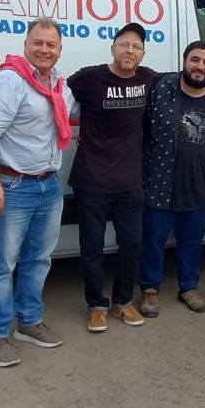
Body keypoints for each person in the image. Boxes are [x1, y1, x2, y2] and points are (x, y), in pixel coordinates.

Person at [0, 17, 75, 368]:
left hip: (48, 184)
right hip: (12, 186)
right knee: (2, 265)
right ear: (26, 44)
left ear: (60, 49)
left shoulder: (59, 84)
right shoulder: (9, 81)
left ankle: (28, 322)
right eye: (38, 43)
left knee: (39, 258)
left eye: (51, 44)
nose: (44, 49)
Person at [67, 23, 161, 333]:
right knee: (92, 248)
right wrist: (68, 133)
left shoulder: (148, 78)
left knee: (132, 245)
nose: (129, 51)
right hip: (91, 180)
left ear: (142, 54)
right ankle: (96, 306)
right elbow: (54, 97)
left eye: (135, 47)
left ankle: (123, 303)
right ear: (113, 48)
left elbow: (184, 83)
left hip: (129, 183)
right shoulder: (88, 78)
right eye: (124, 45)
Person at [138, 41, 205, 317]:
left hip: (197, 184)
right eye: (195, 60)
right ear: (184, 61)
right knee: (152, 241)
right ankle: (150, 291)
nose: (199, 66)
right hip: (159, 183)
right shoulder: (161, 88)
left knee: (192, 241)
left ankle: (188, 287)